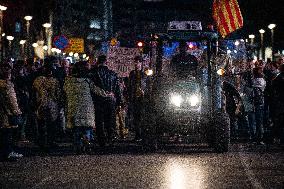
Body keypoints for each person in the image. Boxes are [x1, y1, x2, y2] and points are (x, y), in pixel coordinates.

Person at [64, 61, 107, 153]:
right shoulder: (87, 81)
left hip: (74, 107)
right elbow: (97, 91)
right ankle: (87, 140)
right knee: (87, 128)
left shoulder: (68, 81)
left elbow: (64, 92)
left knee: (76, 129)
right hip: (87, 108)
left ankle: (78, 147)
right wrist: (107, 94)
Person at [89, 55, 122, 147]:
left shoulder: (92, 73)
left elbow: (90, 88)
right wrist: (119, 101)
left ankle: (101, 140)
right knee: (110, 120)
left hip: (97, 100)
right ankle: (110, 138)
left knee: (99, 121)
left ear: (97, 62)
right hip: (110, 101)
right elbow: (117, 89)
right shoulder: (113, 74)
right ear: (106, 62)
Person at [32, 58, 63, 151]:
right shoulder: (55, 81)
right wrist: (60, 103)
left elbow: (33, 92)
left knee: (41, 124)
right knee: (51, 125)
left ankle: (41, 142)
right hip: (52, 105)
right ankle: (50, 142)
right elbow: (58, 94)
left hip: (40, 104)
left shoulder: (37, 80)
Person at [0, 63, 23, 160]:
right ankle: (7, 153)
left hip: (2, 112)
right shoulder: (6, 85)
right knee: (7, 133)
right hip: (6, 113)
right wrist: (17, 112)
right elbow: (11, 100)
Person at [128, 56, 145, 141]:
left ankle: (142, 134)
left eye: (138, 62)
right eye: (135, 62)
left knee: (141, 116)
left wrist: (144, 91)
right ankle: (138, 134)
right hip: (134, 97)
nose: (136, 64)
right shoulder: (132, 73)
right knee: (136, 117)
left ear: (141, 63)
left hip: (142, 98)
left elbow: (147, 84)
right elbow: (130, 85)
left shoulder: (144, 73)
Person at [12, 60, 30, 142]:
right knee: (21, 118)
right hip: (20, 99)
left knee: (22, 118)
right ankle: (20, 135)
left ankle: (20, 135)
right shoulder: (17, 78)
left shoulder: (15, 77)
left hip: (22, 99)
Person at [252, 67, 266, 145]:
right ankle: (259, 138)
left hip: (257, 103)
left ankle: (259, 139)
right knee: (260, 121)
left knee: (258, 121)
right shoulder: (263, 80)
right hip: (261, 102)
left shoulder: (256, 81)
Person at [271, 64, 284, 144]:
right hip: (280, 101)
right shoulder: (279, 77)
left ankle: (281, 139)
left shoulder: (279, 77)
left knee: (280, 121)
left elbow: (273, 86)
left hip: (280, 101)